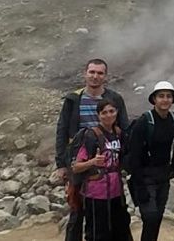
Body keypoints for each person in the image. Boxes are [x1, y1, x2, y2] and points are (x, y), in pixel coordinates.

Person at [55, 59, 129, 241]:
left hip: (109, 161)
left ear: (106, 76)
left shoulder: (114, 99)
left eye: (100, 73)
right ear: (85, 73)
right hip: (79, 160)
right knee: (76, 209)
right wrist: (61, 163)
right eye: (92, 72)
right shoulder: (74, 99)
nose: (95, 76)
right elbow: (62, 129)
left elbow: (124, 128)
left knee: (114, 211)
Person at [126, 80, 174, 241]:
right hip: (144, 176)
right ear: (154, 99)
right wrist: (139, 184)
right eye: (161, 96)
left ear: (173, 99)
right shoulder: (144, 122)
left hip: (163, 175)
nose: (165, 99)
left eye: (168, 96)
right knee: (150, 217)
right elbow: (134, 154)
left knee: (157, 217)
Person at [72, 99, 131, 241]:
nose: (108, 115)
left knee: (121, 230)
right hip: (96, 193)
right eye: (104, 112)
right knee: (97, 233)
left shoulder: (119, 133)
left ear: (117, 112)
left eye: (111, 111)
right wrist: (92, 162)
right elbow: (76, 167)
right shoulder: (91, 136)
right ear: (98, 115)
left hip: (116, 192)